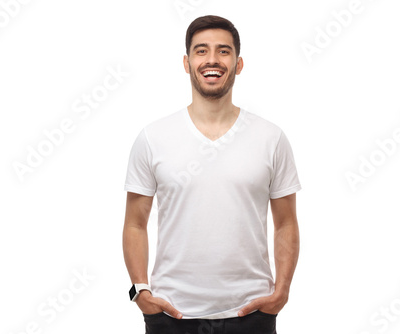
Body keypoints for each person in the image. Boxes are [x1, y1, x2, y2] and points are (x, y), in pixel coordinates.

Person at [122, 15, 302, 334]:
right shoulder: (153, 137)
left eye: (223, 51)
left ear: (238, 63)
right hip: (171, 314)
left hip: (252, 313)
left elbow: (286, 221)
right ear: (187, 62)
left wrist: (282, 292)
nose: (212, 60)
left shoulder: (270, 138)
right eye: (201, 50)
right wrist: (140, 291)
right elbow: (136, 222)